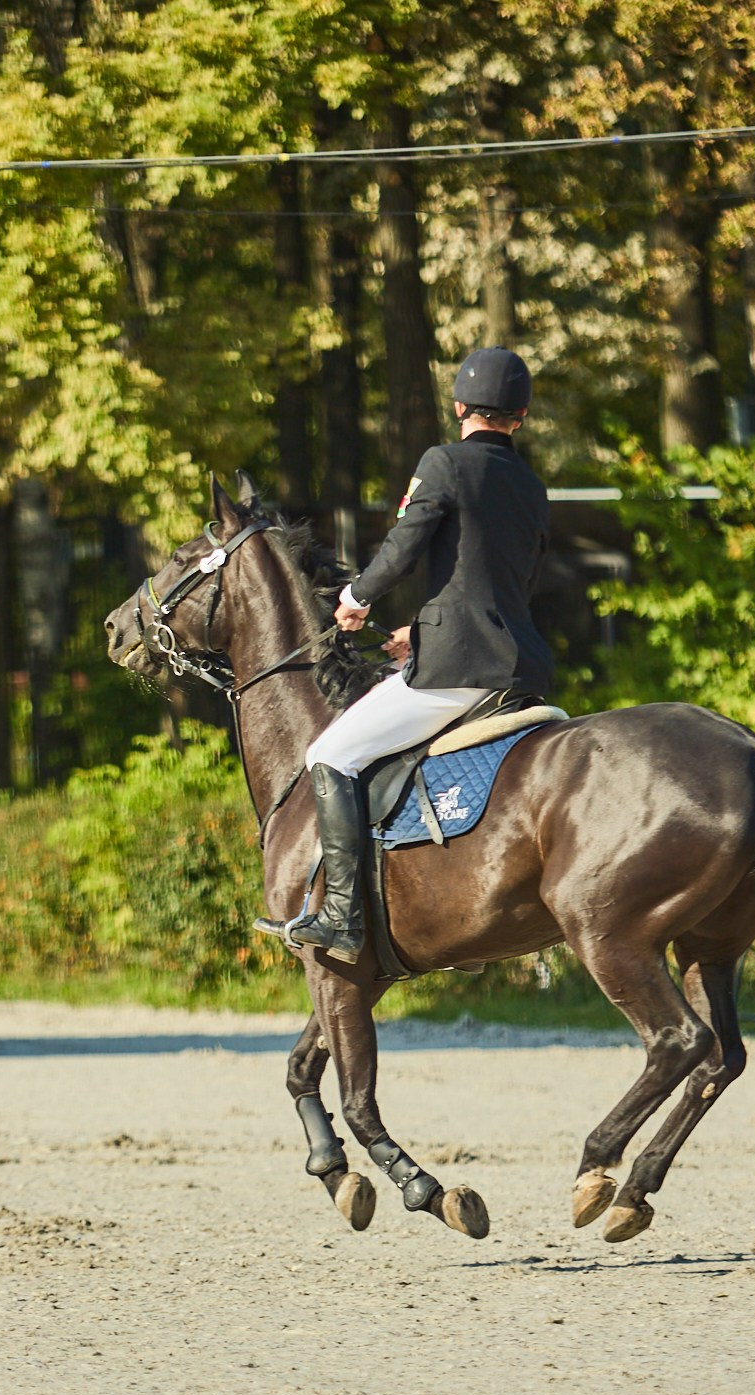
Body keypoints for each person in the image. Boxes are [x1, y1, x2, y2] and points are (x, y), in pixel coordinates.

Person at [266, 345, 555, 963]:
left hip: (456, 672)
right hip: (518, 669)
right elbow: (502, 588)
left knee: (331, 754)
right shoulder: (531, 487)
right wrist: (419, 634)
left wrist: (356, 599)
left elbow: (404, 545)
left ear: (458, 406)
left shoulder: (444, 463)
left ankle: (342, 917)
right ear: (521, 416)